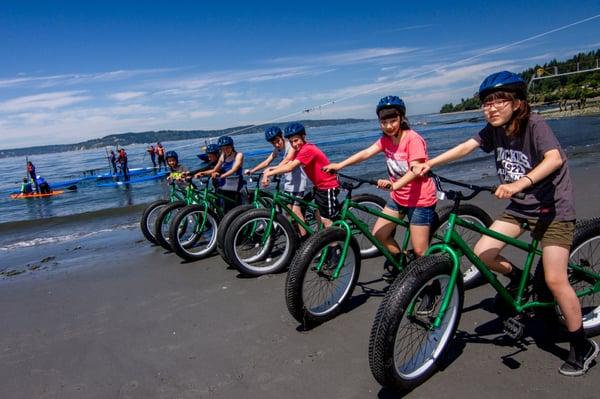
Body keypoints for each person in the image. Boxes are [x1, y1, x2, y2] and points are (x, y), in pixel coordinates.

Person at [415, 71, 598, 376]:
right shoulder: (493, 130)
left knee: (555, 280)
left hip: (553, 209)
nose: (492, 107)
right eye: (487, 102)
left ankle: (582, 345)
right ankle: (519, 279)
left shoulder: (534, 124)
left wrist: (519, 183)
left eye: (500, 100)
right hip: (521, 207)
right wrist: (430, 164)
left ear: (517, 102)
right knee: (483, 254)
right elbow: (466, 147)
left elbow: (554, 159)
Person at [323, 96, 437, 282]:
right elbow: (366, 153)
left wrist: (395, 184)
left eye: (393, 120)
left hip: (420, 200)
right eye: (384, 122)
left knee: (420, 251)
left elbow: (416, 170)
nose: (389, 125)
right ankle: (403, 263)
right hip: (399, 197)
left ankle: (431, 288)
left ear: (401, 118)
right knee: (379, 234)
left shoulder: (413, 140)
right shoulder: (386, 140)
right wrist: (340, 165)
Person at [262, 122, 339, 231]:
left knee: (326, 220)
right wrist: (271, 170)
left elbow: (290, 167)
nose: (294, 144)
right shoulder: (300, 150)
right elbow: (288, 163)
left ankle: (334, 245)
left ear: (303, 137)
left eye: (296, 140)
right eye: (291, 141)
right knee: (317, 213)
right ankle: (319, 238)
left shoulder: (307, 149)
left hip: (328, 186)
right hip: (319, 186)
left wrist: (269, 173)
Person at [247, 126, 309, 237]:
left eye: (278, 141)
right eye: (273, 143)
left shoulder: (291, 146)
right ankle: (297, 234)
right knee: (288, 212)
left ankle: (306, 239)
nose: (276, 144)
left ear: (282, 137)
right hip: (288, 183)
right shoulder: (277, 150)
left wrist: (271, 172)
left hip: (298, 182)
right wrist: (253, 170)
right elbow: (267, 162)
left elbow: (287, 161)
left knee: (296, 211)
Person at [196, 136, 244, 213]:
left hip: (236, 185)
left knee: (236, 208)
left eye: (227, 147)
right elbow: (215, 169)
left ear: (232, 146)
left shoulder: (238, 155)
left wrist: (221, 176)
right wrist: (202, 173)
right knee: (222, 206)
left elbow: (233, 170)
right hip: (225, 184)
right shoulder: (223, 156)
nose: (225, 150)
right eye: (223, 149)